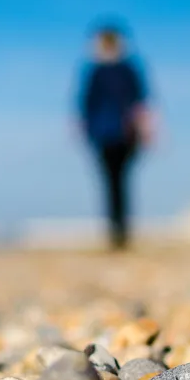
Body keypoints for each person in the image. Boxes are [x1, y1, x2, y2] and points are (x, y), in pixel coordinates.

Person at [76, 22, 153, 251]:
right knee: (111, 183)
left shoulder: (126, 69)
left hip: (126, 134)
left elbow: (141, 102)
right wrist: (84, 128)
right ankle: (116, 233)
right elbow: (85, 103)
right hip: (102, 135)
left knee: (120, 182)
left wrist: (146, 129)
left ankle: (121, 231)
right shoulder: (95, 70)